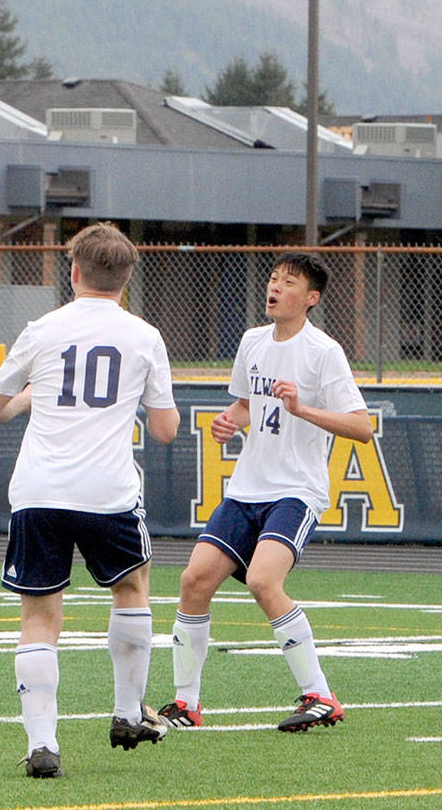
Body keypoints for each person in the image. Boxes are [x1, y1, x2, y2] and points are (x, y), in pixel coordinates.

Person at [0, 223, 180, 778]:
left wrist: (32, 395)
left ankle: (43, 745)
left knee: (40, 617)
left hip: (39, 489)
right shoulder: (145, 336)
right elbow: (165, 429)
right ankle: (125, 712)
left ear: (73, 271)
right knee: (132, 589)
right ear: (127, 278)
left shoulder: (41, 329)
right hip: (107, 491)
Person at [157, 251, 372, 733]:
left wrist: (303, 409)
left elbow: (361, 427)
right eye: (274, 279)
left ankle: (320, 696)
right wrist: (231, 421)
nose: (275, 288)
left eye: (289, 283)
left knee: (262, 581)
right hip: (247, 488)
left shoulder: (323, 352)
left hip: (296, 490)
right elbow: (245, 403)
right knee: (194, 581)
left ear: (311, 298)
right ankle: (185, 705)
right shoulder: (253, 341)